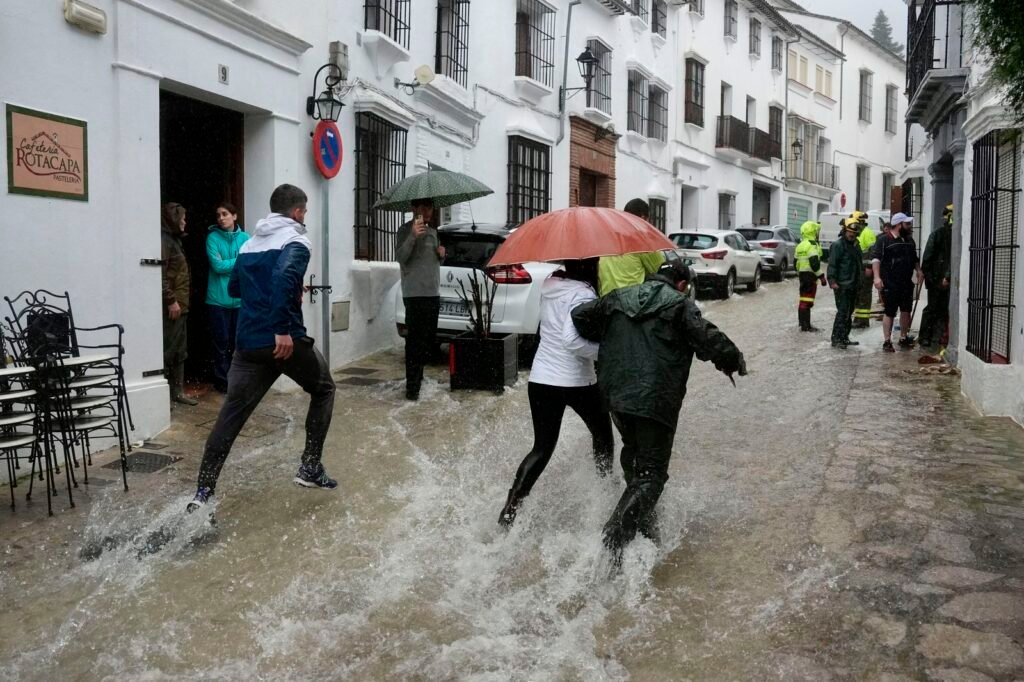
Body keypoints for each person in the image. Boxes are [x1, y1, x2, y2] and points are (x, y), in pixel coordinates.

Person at [572, 259, 745, 560]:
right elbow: (709, 339)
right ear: (681, 284)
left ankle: (643, 529)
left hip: (616, 396)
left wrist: (612, 335)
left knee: (634, 456)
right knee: (652, 474)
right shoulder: (679, 304)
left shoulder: (618, 297)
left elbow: (580, 316)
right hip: (655, 400)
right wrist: (734, 361)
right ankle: (613, 539)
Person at [186, 184, 337, 513]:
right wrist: (282, 328)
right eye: (305, 211)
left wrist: (289, 288)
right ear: (297, 212)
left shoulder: (250, 243)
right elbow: (283, 275)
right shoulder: (296, 239)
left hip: (248, 344)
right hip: (285, 341)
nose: (305, 216)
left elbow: (235, 286)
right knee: (324, 389)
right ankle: (310, 467)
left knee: (229, 417)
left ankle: (202, 494)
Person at [497, 258, 614, 528]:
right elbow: (571, 340)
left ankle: (510, 510)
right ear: (589, 265)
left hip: (541, 379)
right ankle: (604, 492)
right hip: (575, 380)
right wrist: (606, 352)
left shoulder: (550, 282)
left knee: (542, 448)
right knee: (603, 437)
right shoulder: (582, 293)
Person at [395, 198, 445, 401]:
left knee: (428, 341)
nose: (427, 212)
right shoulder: (404, 231)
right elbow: (401, 257)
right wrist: (413, 237)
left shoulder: (434, 232)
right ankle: (412, 387)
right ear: (413, 209)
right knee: (414, 342)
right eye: (423, 208)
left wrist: (442, 255)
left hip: (432, 293)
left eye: (430, 208)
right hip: (414, 294)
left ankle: (419, 378)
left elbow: (434, 261)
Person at [206, 202, 250, 393]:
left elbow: (249, 265)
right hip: (218, 299)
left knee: (238, 342)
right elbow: (217, 266)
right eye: (218, 215)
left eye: (225, 214)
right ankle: (222, 382)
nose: (221, 218)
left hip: (240, 300)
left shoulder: (246, 238)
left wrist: (234, 263)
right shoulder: (212, 238)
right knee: (221, 342)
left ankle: (237, 380)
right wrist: (240, 260)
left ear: (234, 216)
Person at [161, 202, 198, 406]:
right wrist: (171, 300)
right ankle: (167, 394)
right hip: (173, 305)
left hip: (181, 304)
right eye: (182, 218)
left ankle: (178, 391)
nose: (184, 222)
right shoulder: (165, 242)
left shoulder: (174, 241)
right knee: (169, 349)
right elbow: (161, 275)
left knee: (179, 349)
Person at [872, 212, 923, 352]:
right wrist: (877, 277)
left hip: (906, 282)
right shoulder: (883, 240)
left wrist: (918, 270)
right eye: (907, 224)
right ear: (899, 225)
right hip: (890, 282)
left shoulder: (909, 241)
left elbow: (914, 258)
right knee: (890, 312)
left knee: (906, 310)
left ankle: (903, 337)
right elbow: (876, 259)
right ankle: (887, 341)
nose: (910, 226)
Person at [597, 198, 665, 297]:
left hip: (605, 301)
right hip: (631, 304)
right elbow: (661, 270)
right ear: (642, 218)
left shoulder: (609, 237)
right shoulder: (642, 241)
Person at [919, 204, 953, 350]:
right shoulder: (938, 234)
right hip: (936, 278)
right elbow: (927, 259)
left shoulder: (954, 234)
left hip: (945, 277)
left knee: (944, 309)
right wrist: (933, 278)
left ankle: (938, 336)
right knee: (932, 308)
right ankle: (925, 337)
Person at [827, 220, 863, 350]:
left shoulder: (855, 245)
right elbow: (832, 264)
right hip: (842, 285)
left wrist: (860, 282)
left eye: (854, 233)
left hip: (853, 284)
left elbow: (859, 264)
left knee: (849, 312)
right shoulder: (838, 245)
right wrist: (832, 281)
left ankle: (844, 337)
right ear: (844, 231)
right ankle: (836, 338)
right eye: (849, 232)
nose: (851, 235)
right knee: (842, 312)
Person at [794, 220, 827, 332]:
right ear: (813, 232)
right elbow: (814, 263)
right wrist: (821, 276)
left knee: (803, 299)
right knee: (807, 301)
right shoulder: (812, 245)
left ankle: (801, 323)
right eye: (816, 231)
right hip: (810, 276)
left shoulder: (800, 245)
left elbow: (795, 263)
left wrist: (800, 273)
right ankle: (806, 326)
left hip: (802, 276)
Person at [850, 211, 877, 329]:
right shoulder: (858, 233)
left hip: (865, 270)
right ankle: (859, 318)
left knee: (864, 295)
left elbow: (873, 252)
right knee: (858, 294)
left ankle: (863, 321)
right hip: (857, 269)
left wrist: (869, 267)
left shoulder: (867, 233)